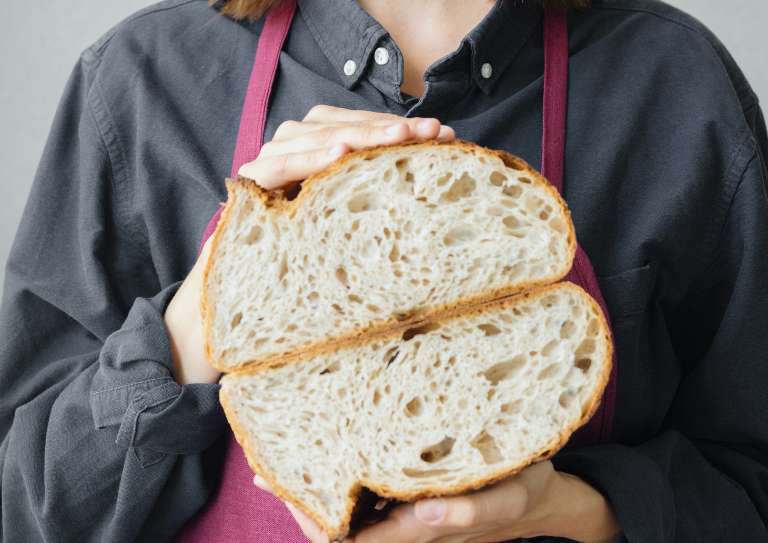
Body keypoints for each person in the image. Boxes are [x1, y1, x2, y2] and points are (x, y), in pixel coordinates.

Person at [1, 0, 766, 541]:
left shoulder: (678, 89)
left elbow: (752, 487)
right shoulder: (141, 82)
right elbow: (23, 508)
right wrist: (198, 320)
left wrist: (578, 511)